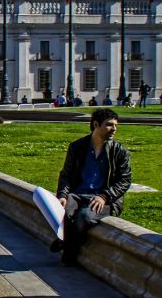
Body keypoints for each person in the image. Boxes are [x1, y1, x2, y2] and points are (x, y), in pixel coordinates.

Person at [52, 108, 132, 264]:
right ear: (96, 124)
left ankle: (67, 252)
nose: (114, 129)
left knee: (85, 216)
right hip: (77, 193)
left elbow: (125, 180)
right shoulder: (77, 147)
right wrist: (62, 195)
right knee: (64, 214)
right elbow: (66, 174)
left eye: (115, 125)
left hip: (104, 198)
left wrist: (105, 196)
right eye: (109, 125)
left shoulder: (120, 152)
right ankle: (67, 245)